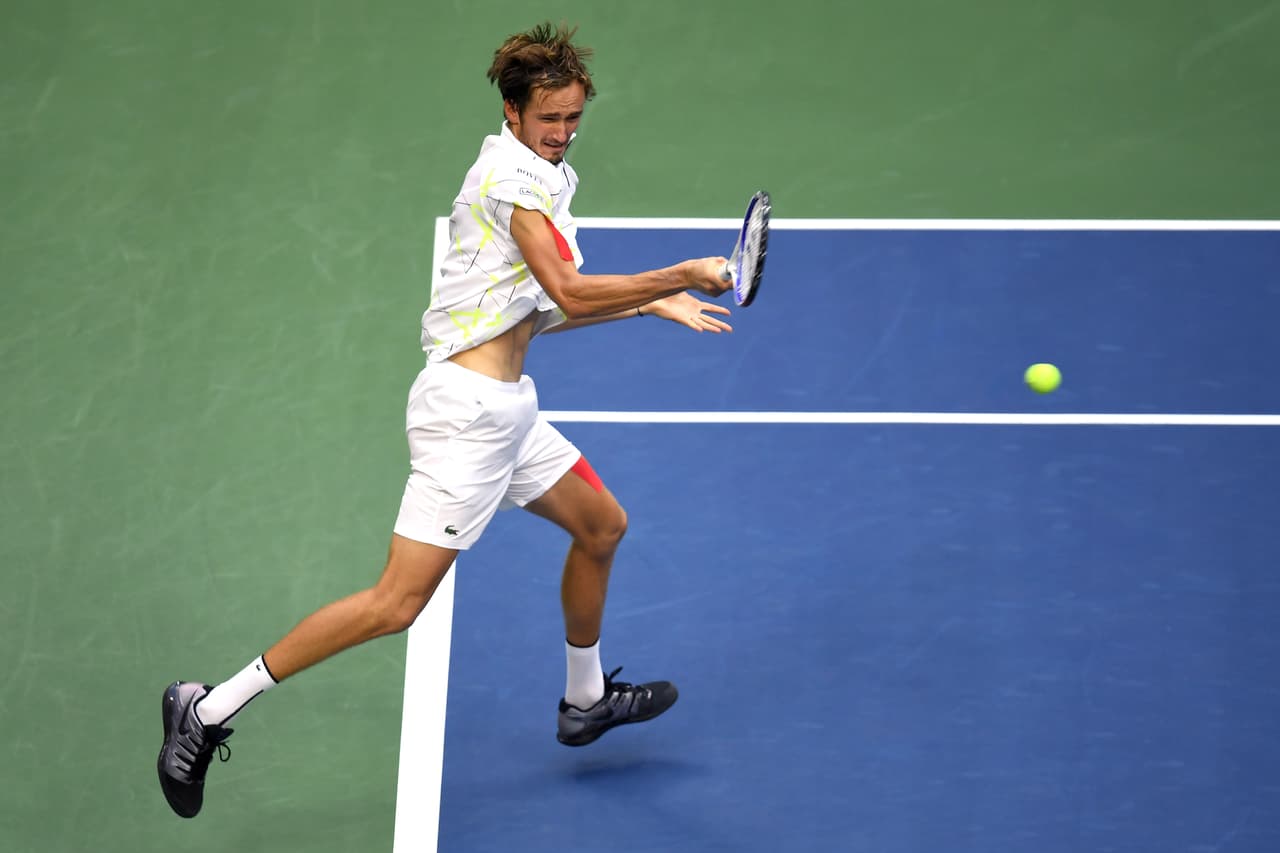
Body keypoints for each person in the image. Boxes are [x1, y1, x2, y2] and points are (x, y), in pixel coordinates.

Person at [156, 21, 735, 819]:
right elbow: (567, 291)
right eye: (549, 120)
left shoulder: (545, 174)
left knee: (601, 524)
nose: (563, 134)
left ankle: (584, 699)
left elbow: (533, 315)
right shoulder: (513, 185)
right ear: (511, 111)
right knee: (395, 605)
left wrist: (647, 303)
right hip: (466, 421)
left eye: (573, 118)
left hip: (505, 410)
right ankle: (207, 706)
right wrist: (674, 271)